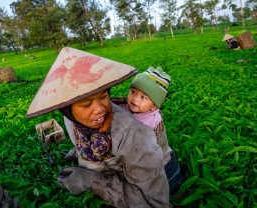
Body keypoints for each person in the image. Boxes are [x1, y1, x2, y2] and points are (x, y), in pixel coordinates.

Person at [27, 47, 170, 207]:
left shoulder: (131, 134)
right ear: (67, 109)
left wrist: (92, 181)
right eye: (87, 104)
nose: (100, 109)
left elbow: (152, 202)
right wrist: (81, 151)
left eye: (103, 97)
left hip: (157, 175)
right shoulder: (70, 118)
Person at [113, 66, 184, 195]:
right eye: (133, 92)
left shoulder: (153, 120)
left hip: (162, 163)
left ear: (154, 107)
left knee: (158, 185)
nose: (135, 99)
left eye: (143, 97)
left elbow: (148, 147)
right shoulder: (126, 107)